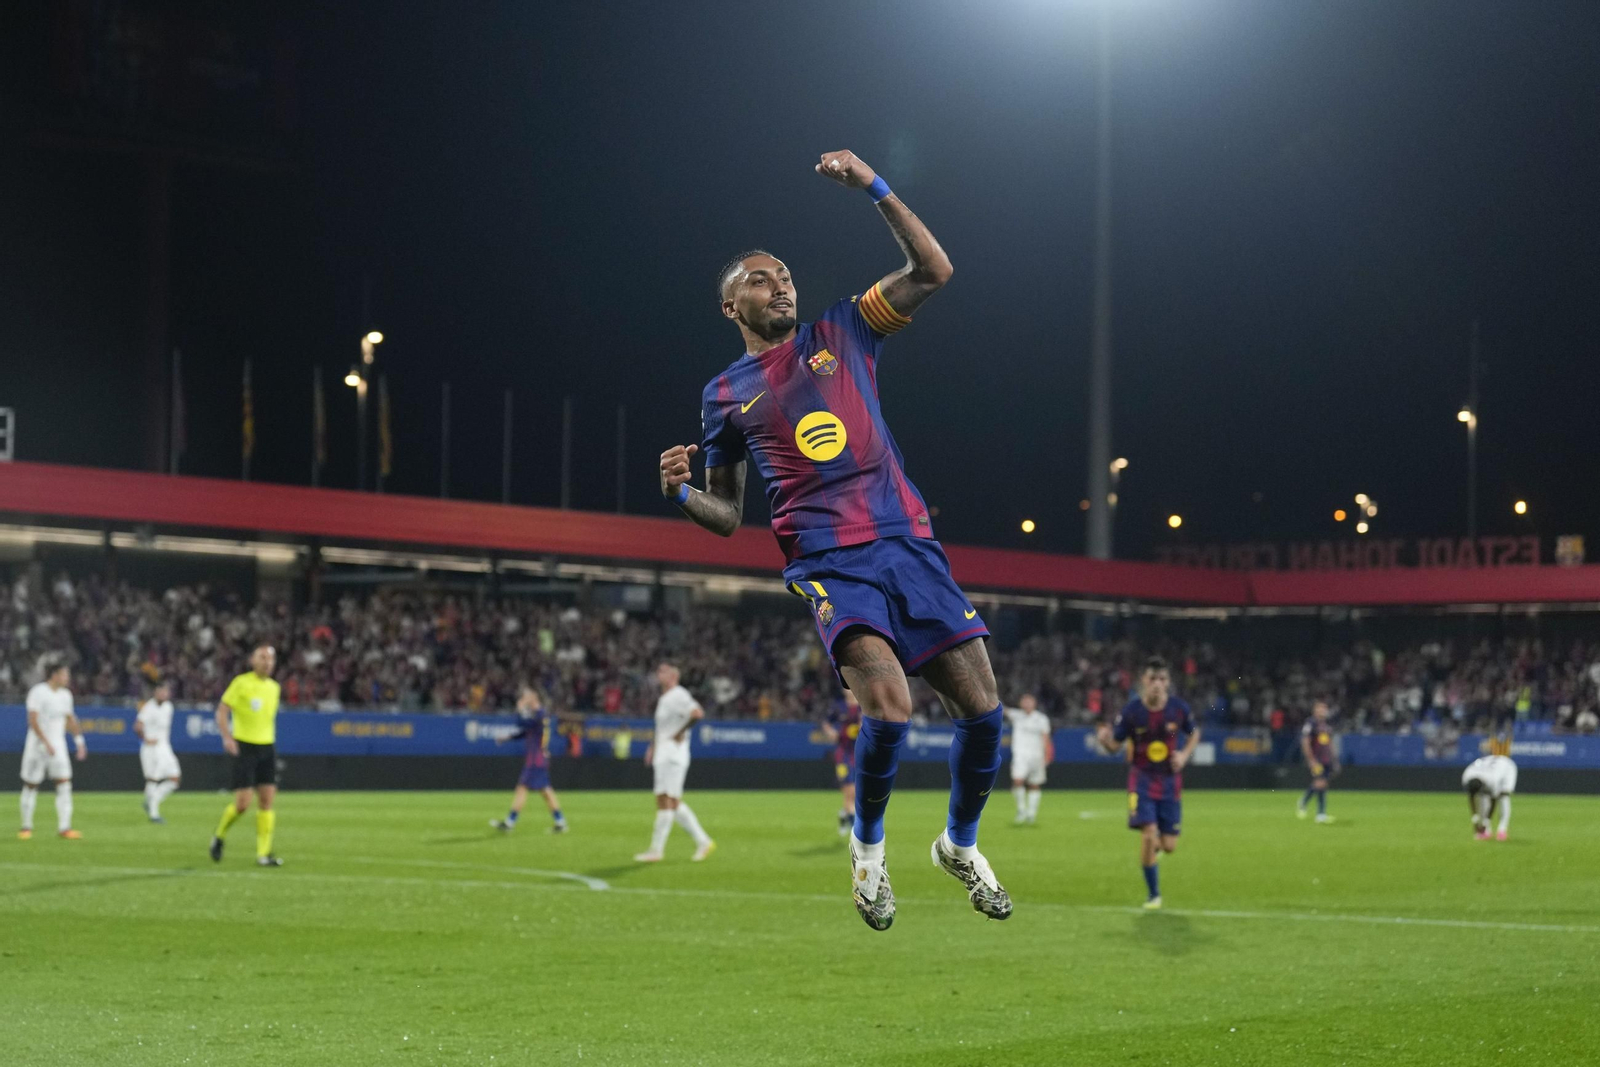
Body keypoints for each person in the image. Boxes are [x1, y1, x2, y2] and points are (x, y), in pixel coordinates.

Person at [657, 149, 1010, 930]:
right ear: (730, 307)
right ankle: (870, 852)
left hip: (906, 541)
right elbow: (725, 515)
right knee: (888, 709)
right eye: (757, 277)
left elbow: (934, 267)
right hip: (827, 559)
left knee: (984, 713)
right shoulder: (725, 394)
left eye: (782, 273)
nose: (777, 282)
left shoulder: (844, 327)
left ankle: (958, 844)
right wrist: (679, 490)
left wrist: (874, 187)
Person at [1096, 658, 1200, 910]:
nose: (1157, 684)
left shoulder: (1178, 709)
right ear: (1144, 681)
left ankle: (1156, 848)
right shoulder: (1132, 712)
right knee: (1148, 834)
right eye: (1152, 679)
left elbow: (1194, 732)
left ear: (1168, 682)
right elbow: (1114, 746)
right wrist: (1104, 740)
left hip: (1170, 783)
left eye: (1162, 679)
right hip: (1141, 780)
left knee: (1169, 846)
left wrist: (1184, 755)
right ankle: (1154, 895)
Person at [209, 644, 283, 867]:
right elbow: (222, 710)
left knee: (267, 801)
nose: (267, 662)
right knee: (242, 804)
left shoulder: (274, 687)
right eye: (262, 658)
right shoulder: (241, 683)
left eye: (270, 659)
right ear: (252, 660)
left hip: (267, 747)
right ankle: (219, 836)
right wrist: (227, 737)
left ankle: (264, 854)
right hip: (245, 747)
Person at [634, 663, 715, 863]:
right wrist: (653, 746)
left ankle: (656, 850)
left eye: (663, 671)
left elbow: (697, 713)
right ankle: (703, 841)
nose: (658, 673)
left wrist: (680, 733)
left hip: (673, 754)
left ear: (673, 676)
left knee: (664, 799)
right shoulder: (665, 698)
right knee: (673, 802)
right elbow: (663, 727)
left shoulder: (678, 694)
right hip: (665, 752)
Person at [18, 661, 86, 840]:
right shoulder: (38, 692)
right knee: (31, 785)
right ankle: (26, 827)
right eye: (65, 674)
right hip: (37, 746)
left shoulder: (66, 695)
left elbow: (70, 719)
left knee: (64, 784)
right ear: (54, 675)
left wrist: (79, 741)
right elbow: (32, 720)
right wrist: (46, 742)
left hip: (58, 746)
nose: (67, 678)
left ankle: (65, 827)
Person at [490, 687, 567, 834]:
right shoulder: (539, 715)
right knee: (546, 792)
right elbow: (525, 732)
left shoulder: (539, 715)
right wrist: (506, 738)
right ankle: (560, 822)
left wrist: (519, 709)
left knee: (522, 788)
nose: (523, 700)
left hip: (535, 760)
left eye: (525, 697)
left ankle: (510, 823)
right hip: (538, 759)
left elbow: (522, 724)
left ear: (533, 699)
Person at [135, 680, 180, 823]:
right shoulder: (149, 707)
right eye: (161, 691)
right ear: (155, 692)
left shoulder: (168, 707)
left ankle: (151, 801)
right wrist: (146, 739)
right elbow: (137, 726)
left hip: (165, 747)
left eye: (166, 691)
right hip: (151, 749)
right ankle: (154, 814)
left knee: (174, 778)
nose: (163, 694)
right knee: (153, 778)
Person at [819, 689, 862, 837]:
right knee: (849, 791)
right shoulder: (839, 707)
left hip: (859, 754)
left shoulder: (864, 705)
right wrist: (830, 732)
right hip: (843, 755)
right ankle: (854, 829)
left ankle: (845, 814)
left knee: (854, 794)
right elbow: (826, 722)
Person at [1005, 694, 1052, 825]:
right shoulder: (1017, 715)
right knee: (1017, 780)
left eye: (1029, 702)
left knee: (1034, 784)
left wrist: (1047, 755)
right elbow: (1000, 708)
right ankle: (1021, 810)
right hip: (1020, 755)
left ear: (1034, 703)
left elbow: (1046, 738)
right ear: (1020, 703)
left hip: (1037, 756)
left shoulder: (1041, 719)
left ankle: (1031, 813)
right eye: (1024, 702)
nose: (1027, 704)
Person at [1296, 700, 1338, 823]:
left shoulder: (1327, 725)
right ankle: (1305, 803)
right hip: (1316, 759)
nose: (1323, 711)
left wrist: (1334, 759)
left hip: (1326, 759)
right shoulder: (1311, 723)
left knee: (1323, 784)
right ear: (1315, 710)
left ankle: (1320, 814)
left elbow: (1329, 743)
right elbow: (1305, 741)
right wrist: (1311, 759)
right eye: (1320, 708)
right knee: (1320, 782)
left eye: (1324, 709)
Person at [1462, 752, 1518, 841]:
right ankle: (1486, 832)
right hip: (1489, 769)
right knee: (1482, 798)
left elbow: (1493, 801)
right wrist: (1475, 821)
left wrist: (1485, 822)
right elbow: (1471, 797)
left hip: (1507, 768)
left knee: (1503, 796)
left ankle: (1502, 830)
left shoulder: (1492, 780)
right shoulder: (1467, 776)